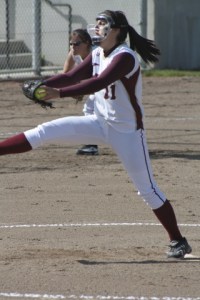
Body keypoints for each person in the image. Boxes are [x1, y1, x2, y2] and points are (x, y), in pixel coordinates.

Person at [0, 10, 192, 258]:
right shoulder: (99, 53)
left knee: (147, 190)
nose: (97, 27)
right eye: (98, 22)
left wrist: (57, 93)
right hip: (97, 123)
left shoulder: (125, 57)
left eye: (103, 23)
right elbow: (72, 76)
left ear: (116, 30)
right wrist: (43, 83)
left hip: (127, 132)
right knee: (44, 131)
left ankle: (178, 240)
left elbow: (97, 83)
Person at [63, 28, 99, 156]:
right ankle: (92, 143)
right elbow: (66, 76)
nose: (73, 46)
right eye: (71, 43)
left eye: (77, 43)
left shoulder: (96, 54)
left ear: (87, 43)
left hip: (110, 85)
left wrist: (80, 89)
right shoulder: (73, 54)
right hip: (98, 87)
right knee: (91, 109)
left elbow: (98, 79)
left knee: (90, 109)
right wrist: (71, 89)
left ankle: (91, 145)